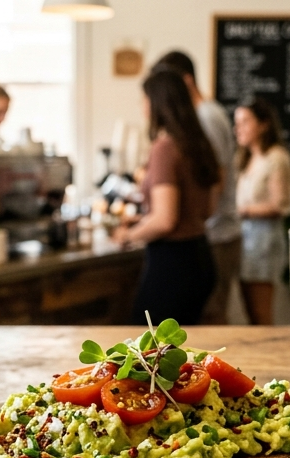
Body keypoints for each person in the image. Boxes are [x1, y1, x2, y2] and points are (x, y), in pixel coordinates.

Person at [113, 69, 221, 325]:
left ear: (157, 104)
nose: (142, 106)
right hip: (201, 256)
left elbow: (165, 220)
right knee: (179, 354)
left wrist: (127, 235)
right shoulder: (198, 144)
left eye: (145, 99)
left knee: (146, 350)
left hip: (173, 265)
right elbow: (206, 210)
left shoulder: (164, 148)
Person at [150, 51, 241, 324]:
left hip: (215, 234)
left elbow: (215, 179)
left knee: (211, 326)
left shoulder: (206, 118)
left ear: (186, 81)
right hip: (209, 234)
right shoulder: (202, 117)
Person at [232, 98, 290, 325]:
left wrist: (243, 210)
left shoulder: (276, 157)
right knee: (248, 309)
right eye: (236, 122)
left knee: (261, 313)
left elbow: (280, 205)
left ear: (263, 124)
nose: (238, 128)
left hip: (264, 242)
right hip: (245, 240)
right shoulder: (246, 158)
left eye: (245, 121)